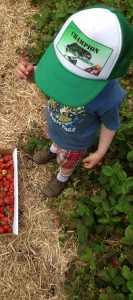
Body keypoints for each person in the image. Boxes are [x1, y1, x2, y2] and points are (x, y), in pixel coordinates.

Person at [15, 5, 133, 197]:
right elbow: (40, 77)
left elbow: (110, 125)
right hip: (55, 125)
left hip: (75, 142)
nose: (64, 82)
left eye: (75, 81)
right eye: (63, 72)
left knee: (67, 162)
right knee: (54, 138)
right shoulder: (62, 62)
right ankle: (53, 148)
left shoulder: (109, 95)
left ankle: (62, 177)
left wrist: (100, 152)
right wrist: (28, 73)